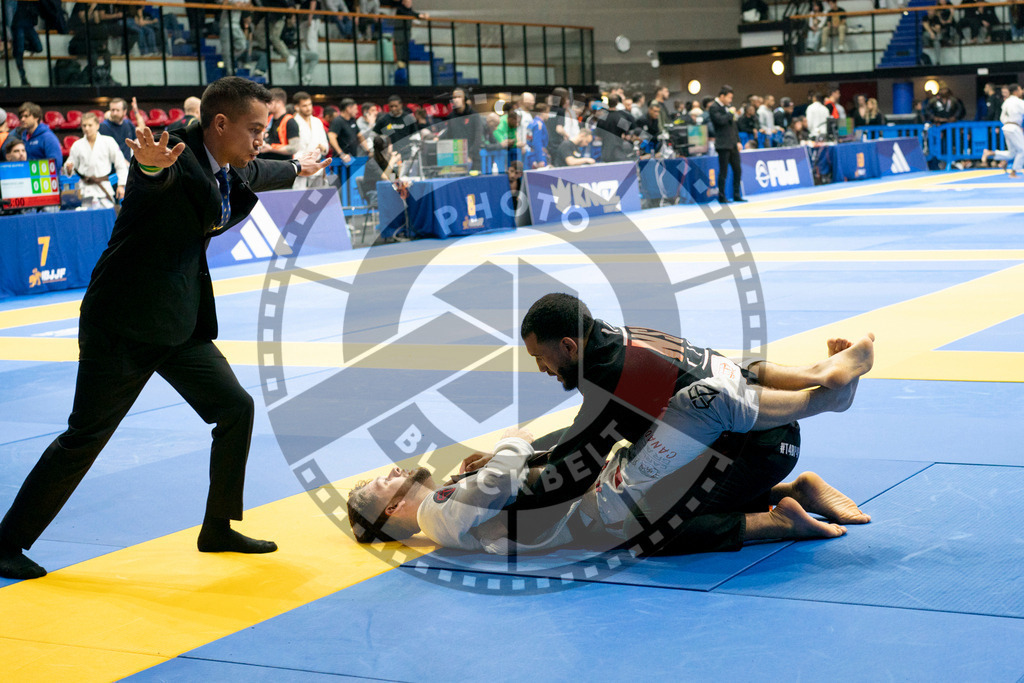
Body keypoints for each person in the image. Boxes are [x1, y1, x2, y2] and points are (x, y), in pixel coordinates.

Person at [0, 77, 331, 581]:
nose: (262, 138)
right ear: (220, 124)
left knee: (235, 409)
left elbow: (253, 169)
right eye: (256, 129)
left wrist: (296, 168)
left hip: (179, 321)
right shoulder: (169, 154)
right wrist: (151, 166)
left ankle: (217, 527)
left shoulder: (224, 157)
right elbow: (156, 176)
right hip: (125, 322)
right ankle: (5, 543)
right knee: (85, 436)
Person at [348, 295, 875, 554]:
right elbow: (555, 461)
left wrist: (522, 451)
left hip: (751, 441)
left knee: (658, 511)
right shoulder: (619, 341)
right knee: (702, 395)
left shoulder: (608, 376)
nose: (541, 369)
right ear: (392, 511)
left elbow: (576, 449)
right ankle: (814, 401)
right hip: (748, 443)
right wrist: (517, 447)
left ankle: (818, 396)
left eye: (542, 358)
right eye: (381, 482)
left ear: (568, 346)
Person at [63, 111, 129, 209]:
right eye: (84, 125)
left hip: (104, 189)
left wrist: (121, 185)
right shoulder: (77, 145)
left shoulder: (108, 141)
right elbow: (70, 166)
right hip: (85, 191)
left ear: (97, 126)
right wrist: (68, 168)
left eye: (90, 125)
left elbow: (120, 165)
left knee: (107, 220)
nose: (87, 128)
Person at [708, 85, 744, 203]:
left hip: (733, 143)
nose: (730, 100)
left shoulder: (728, 108)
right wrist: (730, 113)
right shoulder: (714, 107)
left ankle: (736, 194)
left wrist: (738, 141)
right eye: (729, 98)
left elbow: (734, 127)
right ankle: (722, 196)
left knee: (737, 170)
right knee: (723, 171)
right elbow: (720, 121)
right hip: (723, 144)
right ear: (722, 96)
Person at [981, 83, 1024, 177]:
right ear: (1016, 91)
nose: (1022, 91)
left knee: (1012, 153)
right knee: (1022, 150)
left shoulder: (1006, 102)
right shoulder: (1018, 101)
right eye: (1021, 89)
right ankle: (1014, 171)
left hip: (1006, 127)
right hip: (1014, 127)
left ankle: (991, 153)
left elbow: (1002, 117)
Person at [290, 91, 330, 188]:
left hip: (317, 167)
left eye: (310, 104)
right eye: (304, 106)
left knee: (318, 200)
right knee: (299, 199)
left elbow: (326, 145)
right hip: (301, 167)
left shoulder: (317, 122)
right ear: (296, 107)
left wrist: (323, 147)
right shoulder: (292, 123)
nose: (308, 108)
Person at [443, 88, 483, 172]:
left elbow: (478, 138)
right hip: (456, 159)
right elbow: (449, 136)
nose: (456, 99)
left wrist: (470, 156)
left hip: (473, 160)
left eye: (459, 97)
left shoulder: (474, 115)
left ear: (465, 98)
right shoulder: (451, 117)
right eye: (454, 97)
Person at [16, 102, 63, 168]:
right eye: (21, 117)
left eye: (26, 116)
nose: (22, 119)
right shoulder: (23, 136)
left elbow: (56, 164)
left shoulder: (48, 138)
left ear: (36, 118)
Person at [258, 88, 300, 160]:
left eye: (269, 103)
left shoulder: (290, 122)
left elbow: (294, 148)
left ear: (279, 103)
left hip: (281, 164)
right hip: (265, 162)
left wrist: (271, 149)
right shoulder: (268, 119)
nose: (267, 105)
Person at [328, 97, 369, 165]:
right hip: (340, 161)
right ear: (348, 109)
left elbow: (360, 136)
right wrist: (341, 154)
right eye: (355, 109)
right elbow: (331, 137)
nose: (357, 111)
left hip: (352, 159)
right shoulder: (337, 121)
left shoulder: (352, 120)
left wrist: (369, 150)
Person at [524, 102, 550, 169]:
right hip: (537, 155)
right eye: (548, 112)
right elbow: (537, 142)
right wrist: (540, 160)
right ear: (543, 112)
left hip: (531, 154)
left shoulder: (532, 122)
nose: (548, 115)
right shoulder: (539, 124)